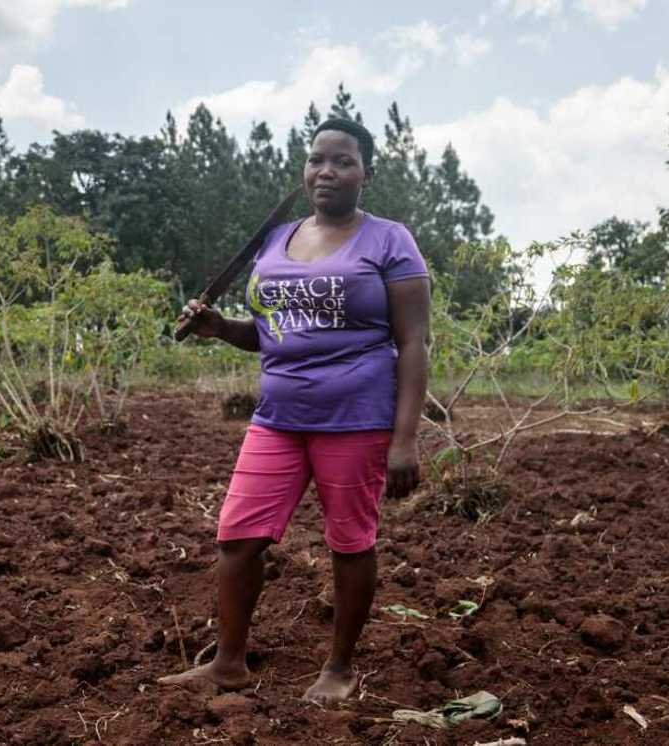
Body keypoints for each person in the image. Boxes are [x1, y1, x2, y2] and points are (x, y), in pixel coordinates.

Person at [159, 117, 431, 704]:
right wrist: (218, 328)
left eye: (343, 161)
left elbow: (413, 342)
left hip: (356, 417)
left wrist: (405, 439)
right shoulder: (275, 238)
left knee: (349, 542)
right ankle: (228, 664)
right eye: (316, 160)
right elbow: (270, 333)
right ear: (304, 169)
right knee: (238, 538)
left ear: (367, 173)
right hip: (277, 416)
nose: (326, 171)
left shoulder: (389, 240)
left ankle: (339, 669)